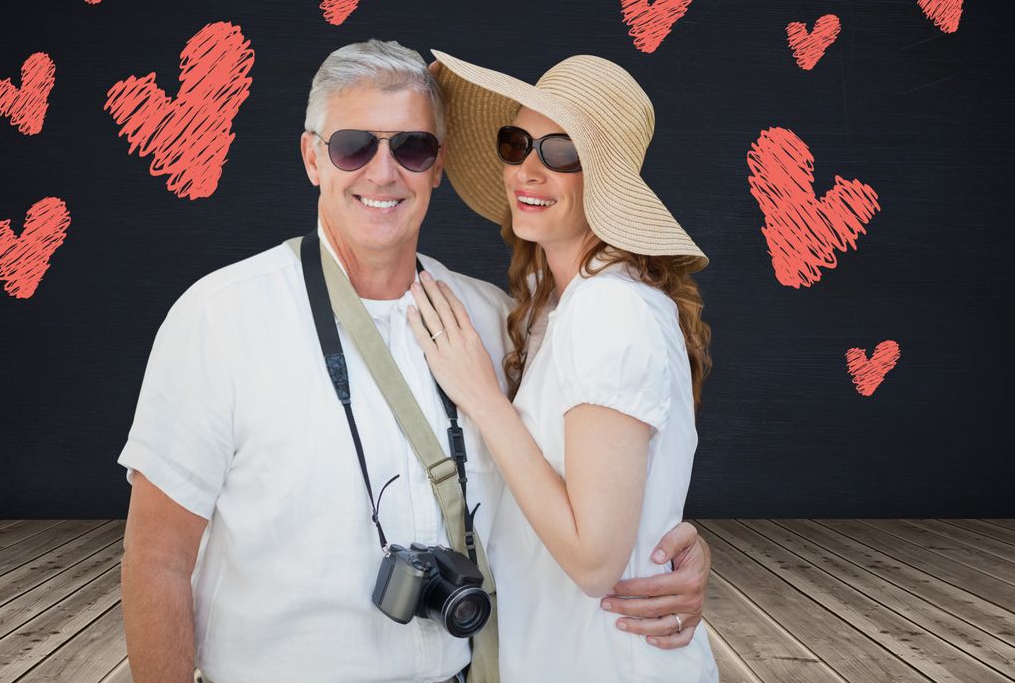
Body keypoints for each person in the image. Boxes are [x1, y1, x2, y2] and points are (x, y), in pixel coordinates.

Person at [117, 39, 711, 683]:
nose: (382, 172)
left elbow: (596, 481)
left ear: (437, 165)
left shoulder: (496, 321)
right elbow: (157, 560)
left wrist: (668, 551)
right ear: (313, 157)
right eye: (353, 146)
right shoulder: (219, 318)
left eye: (411, 147)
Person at [404, 50, 719, 682]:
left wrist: (483, 398)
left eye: (562, 152)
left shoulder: (611, 309)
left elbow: (595, 561)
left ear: (606, 179)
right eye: (517, 143)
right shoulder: (562, 306)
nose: (529, 169)